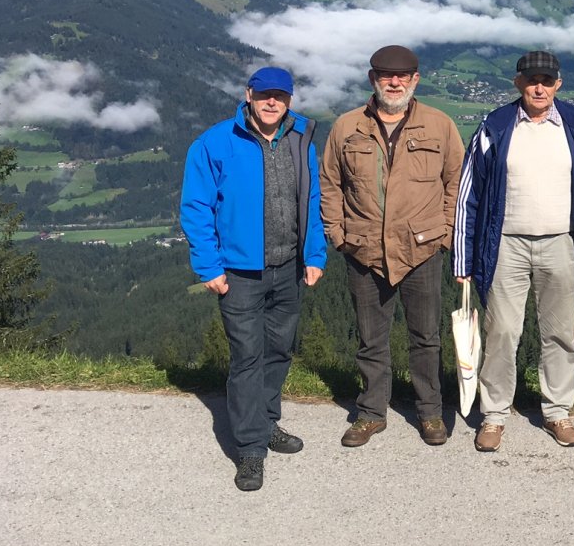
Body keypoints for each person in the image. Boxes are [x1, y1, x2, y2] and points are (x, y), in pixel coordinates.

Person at [453, 50, 574, 452]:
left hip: (563, 241)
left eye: (546, 80)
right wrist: (464, 256)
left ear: (559, 84)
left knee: (559, 331)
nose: (538, 87)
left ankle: (558, 411)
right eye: (531, 80)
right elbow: (469, 195)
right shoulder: (495, 126)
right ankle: (493, 415)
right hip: (505, 242)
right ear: (518, 83)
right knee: (502, 331)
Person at [180, 66, 326, 492]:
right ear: (248, 94)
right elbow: (196, 207)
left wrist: (313, 254)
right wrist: (208, 267)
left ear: (289, 100)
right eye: (264, 95)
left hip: (288, 269)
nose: (271, 102)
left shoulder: (301, 138)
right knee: (247, 357)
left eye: (279, 96)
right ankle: (250, 450)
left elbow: (311, 200)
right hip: (240, 272)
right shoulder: (215, 142)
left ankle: (266, 423)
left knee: (278, 352)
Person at [322, 45, 463, 449]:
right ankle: (370, 413)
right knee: (371, 337)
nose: (394, 82)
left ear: (416, 80)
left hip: (421, 249)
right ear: (373, 80)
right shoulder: (347, 127)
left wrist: (445, 232)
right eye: (386, 76)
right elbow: (330, 184)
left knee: (426, 337)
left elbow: (456, 181)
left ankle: (430, 411)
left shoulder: (440, 126)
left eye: (402, 76)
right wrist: (338, 234)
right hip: (363, 249)